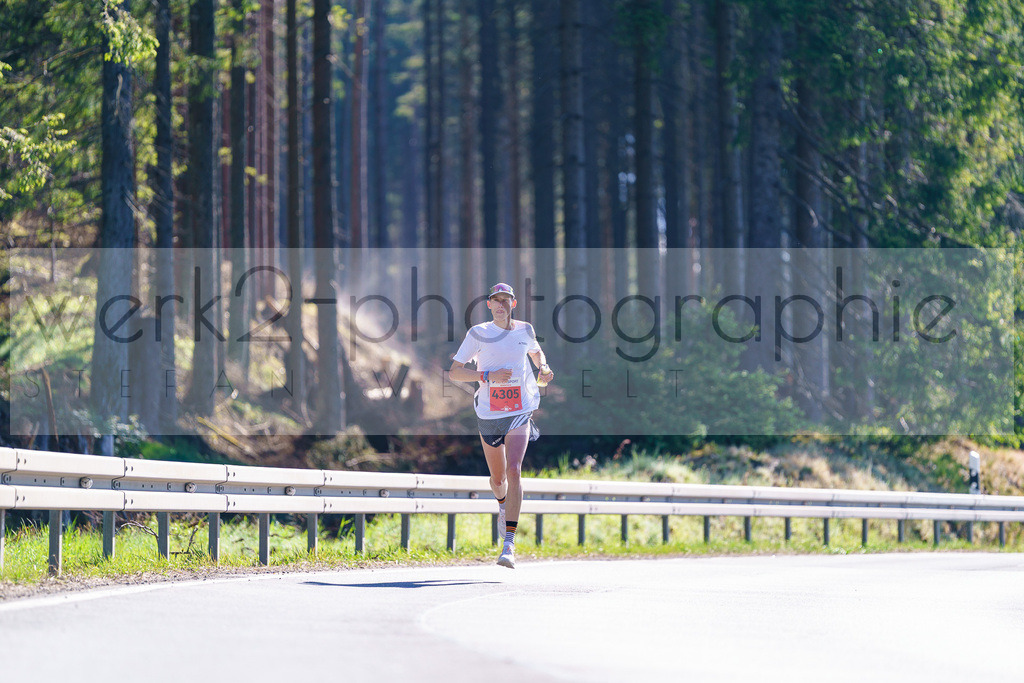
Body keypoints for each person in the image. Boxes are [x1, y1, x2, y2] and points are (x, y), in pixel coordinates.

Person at [449, 283, 554, 568]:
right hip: (488, 413)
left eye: (505, 301)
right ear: (488, 305)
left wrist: (543, 368)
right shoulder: (478, 333)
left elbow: (536, 352)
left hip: (520, 409)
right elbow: (455, 372)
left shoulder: (525, 330)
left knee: (514, 469)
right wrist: (487, 375)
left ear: (513, 304)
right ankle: (502, 504)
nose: (500, 305)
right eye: (495, 301)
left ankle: (509, 543)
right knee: (498, 480)